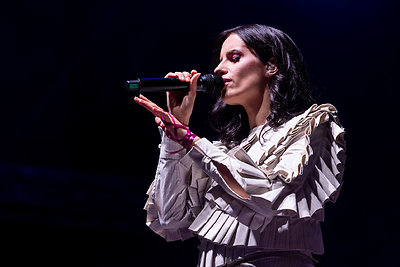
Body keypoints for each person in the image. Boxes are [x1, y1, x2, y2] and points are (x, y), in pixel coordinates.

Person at [134, 24, 346, 267]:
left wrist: (189, 140)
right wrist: (175, 135)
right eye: (219, 59)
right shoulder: (226, 150)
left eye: (234, 58)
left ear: (270, 66)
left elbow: (269, 196)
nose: (217, 68)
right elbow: (171, 218)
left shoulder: (311, 124)